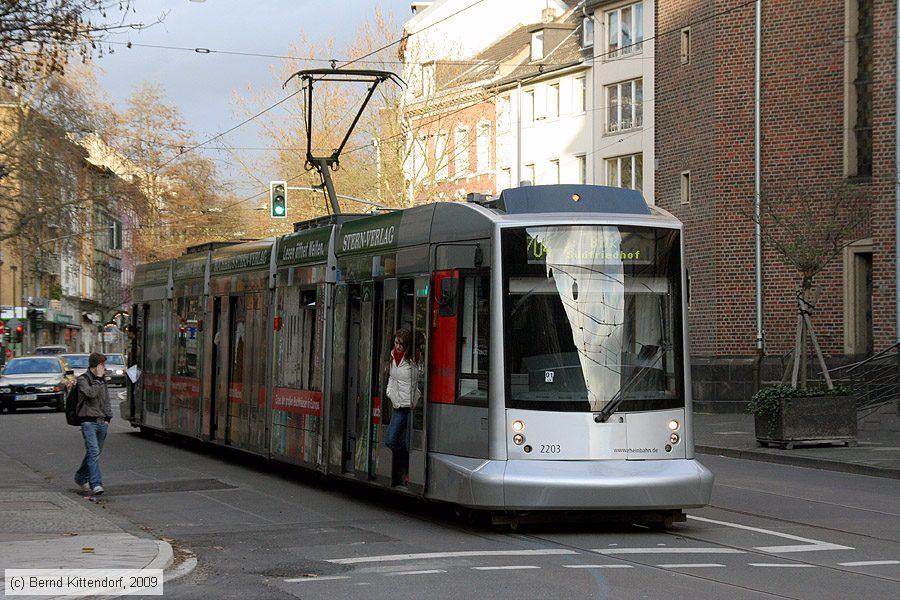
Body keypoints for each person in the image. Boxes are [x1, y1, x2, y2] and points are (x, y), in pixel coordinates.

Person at [73, 352, 112, 495]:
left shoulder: (102, 379)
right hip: (88, 421)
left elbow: (106, 398)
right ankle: (96, 484)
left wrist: (108, 418)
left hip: (102, 421)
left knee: (94, 453)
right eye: (102, 364)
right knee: (94, 452)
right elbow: (90, 394)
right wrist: (97, 378)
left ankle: (80, 476)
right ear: (96, 365)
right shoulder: (83, 379)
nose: (104, 367)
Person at [385, 328, 417, 486]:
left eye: (401, 344)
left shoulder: (413, 360)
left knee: (412, 443)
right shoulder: (392, 357)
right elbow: (392, 378)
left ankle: (409, 472)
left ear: (407, 345)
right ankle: (405, 465)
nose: (397, 346)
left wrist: (415, 399)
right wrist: (389, 393)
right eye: (396, 342)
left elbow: (418, 381)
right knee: (390, 440)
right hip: (398, 406)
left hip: (411, 407)